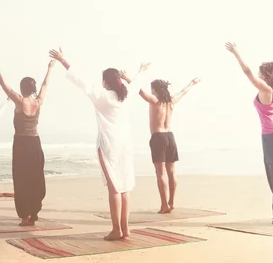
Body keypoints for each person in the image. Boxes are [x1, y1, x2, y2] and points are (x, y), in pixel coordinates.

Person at [49, 47, 150, 240]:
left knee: (114, 188)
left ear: (105, 81)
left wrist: (63, 60)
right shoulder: (125, 95)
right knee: (125, 187)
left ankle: (116, 230)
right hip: (126, 145)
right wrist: (142, 70)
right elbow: (136, 83)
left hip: (108, 145)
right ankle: (125, 228)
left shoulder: (101, 96)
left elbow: (80, 80)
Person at [225, 42, 273, 226]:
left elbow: (247, 72)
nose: (258, 75)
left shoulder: (266, 89)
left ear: (265, 75)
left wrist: (236, 53)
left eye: (261, 73)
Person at [0, 53, 55, 226]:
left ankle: (25, 217)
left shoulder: (19, 101)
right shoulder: (38, 102)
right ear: (33, 88)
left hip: (22, 144)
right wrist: (50, 69)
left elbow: (3, 85)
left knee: (22, 179)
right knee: (35, 178)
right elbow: (46, 84)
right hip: (35, 144)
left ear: (22, 88)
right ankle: (33, 213)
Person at [138, 77, 201, 214]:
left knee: (160, 173)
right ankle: (171, 202)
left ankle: (164, 205)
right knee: (171, 172)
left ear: (154, 90)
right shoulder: (171, 101)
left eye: (152, 89)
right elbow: (183, 91)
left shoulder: (155, 101)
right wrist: (192, 83)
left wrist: (127, 78)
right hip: (170, 137)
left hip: (158, 137)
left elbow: (140, 91)